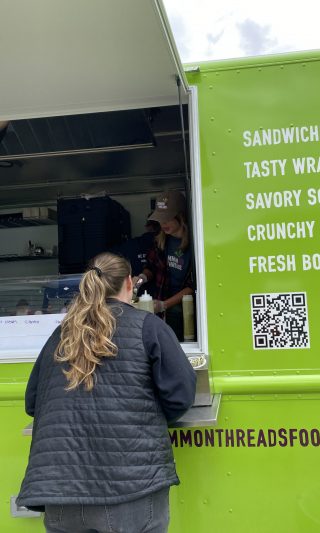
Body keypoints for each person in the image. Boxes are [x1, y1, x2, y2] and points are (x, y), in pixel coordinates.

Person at [16, 252, 196, 533]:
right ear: (128, 282)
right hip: (130, 490)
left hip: (61, 493)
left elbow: (33, 403)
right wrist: (146, 416)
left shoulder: (62, 333)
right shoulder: (148, 327)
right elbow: (181, 395)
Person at [133, 191, 194, 342]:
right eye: (160, 220)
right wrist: (141, 279)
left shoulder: (195, 244)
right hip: (163, 301)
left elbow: (192, 286)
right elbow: (151, 267)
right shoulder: (161, 241)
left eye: (167, 219)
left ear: (180, 217)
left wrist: (164, 305)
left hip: (184, 308)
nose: (163, 224)